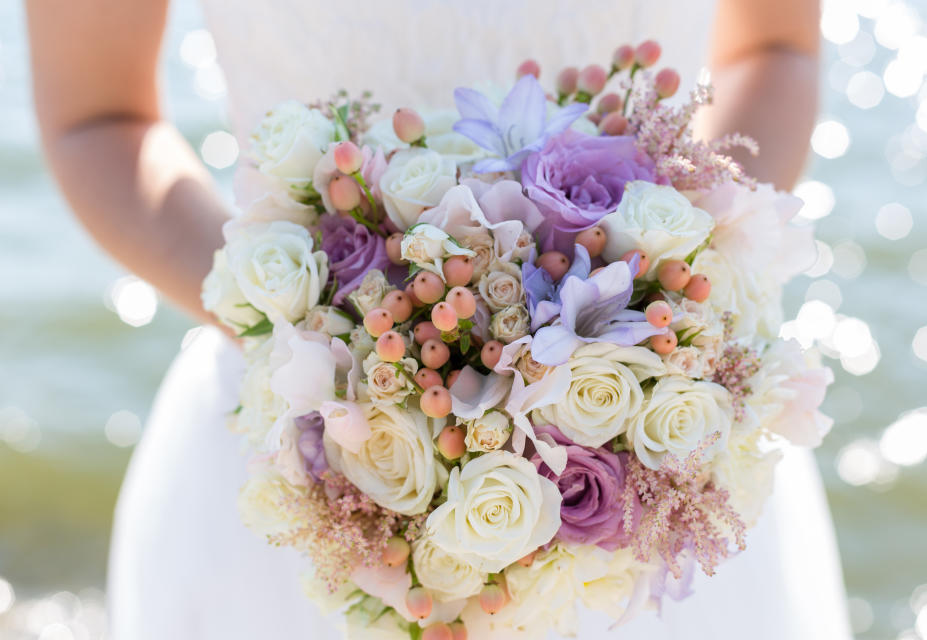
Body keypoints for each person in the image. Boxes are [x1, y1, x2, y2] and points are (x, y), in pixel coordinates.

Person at [26, 0, 851, 638]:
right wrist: (330, 340)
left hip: (660, 460)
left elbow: (775, 49)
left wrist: (674, 302)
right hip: (313, 444)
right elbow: (98, 117)